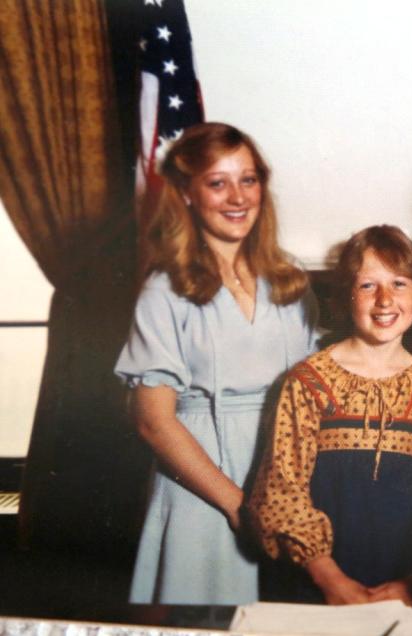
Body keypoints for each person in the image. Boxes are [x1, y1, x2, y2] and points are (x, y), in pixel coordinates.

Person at [114, 123, 319, 604]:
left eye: (248, 180)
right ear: (186, 193)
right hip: (202, 486)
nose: (237, 197)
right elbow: (153, 423)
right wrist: (238, 506)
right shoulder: (165, 291)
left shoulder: (288, 283)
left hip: (289, 481)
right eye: (217, 182)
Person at [247, 225, 412, 605]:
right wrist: (329, 579)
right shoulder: (307, 383)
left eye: (399, 283)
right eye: (368, 285)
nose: (385, 300)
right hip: (317, 585)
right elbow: (280, 493)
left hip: (404, 588)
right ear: (346, 296)